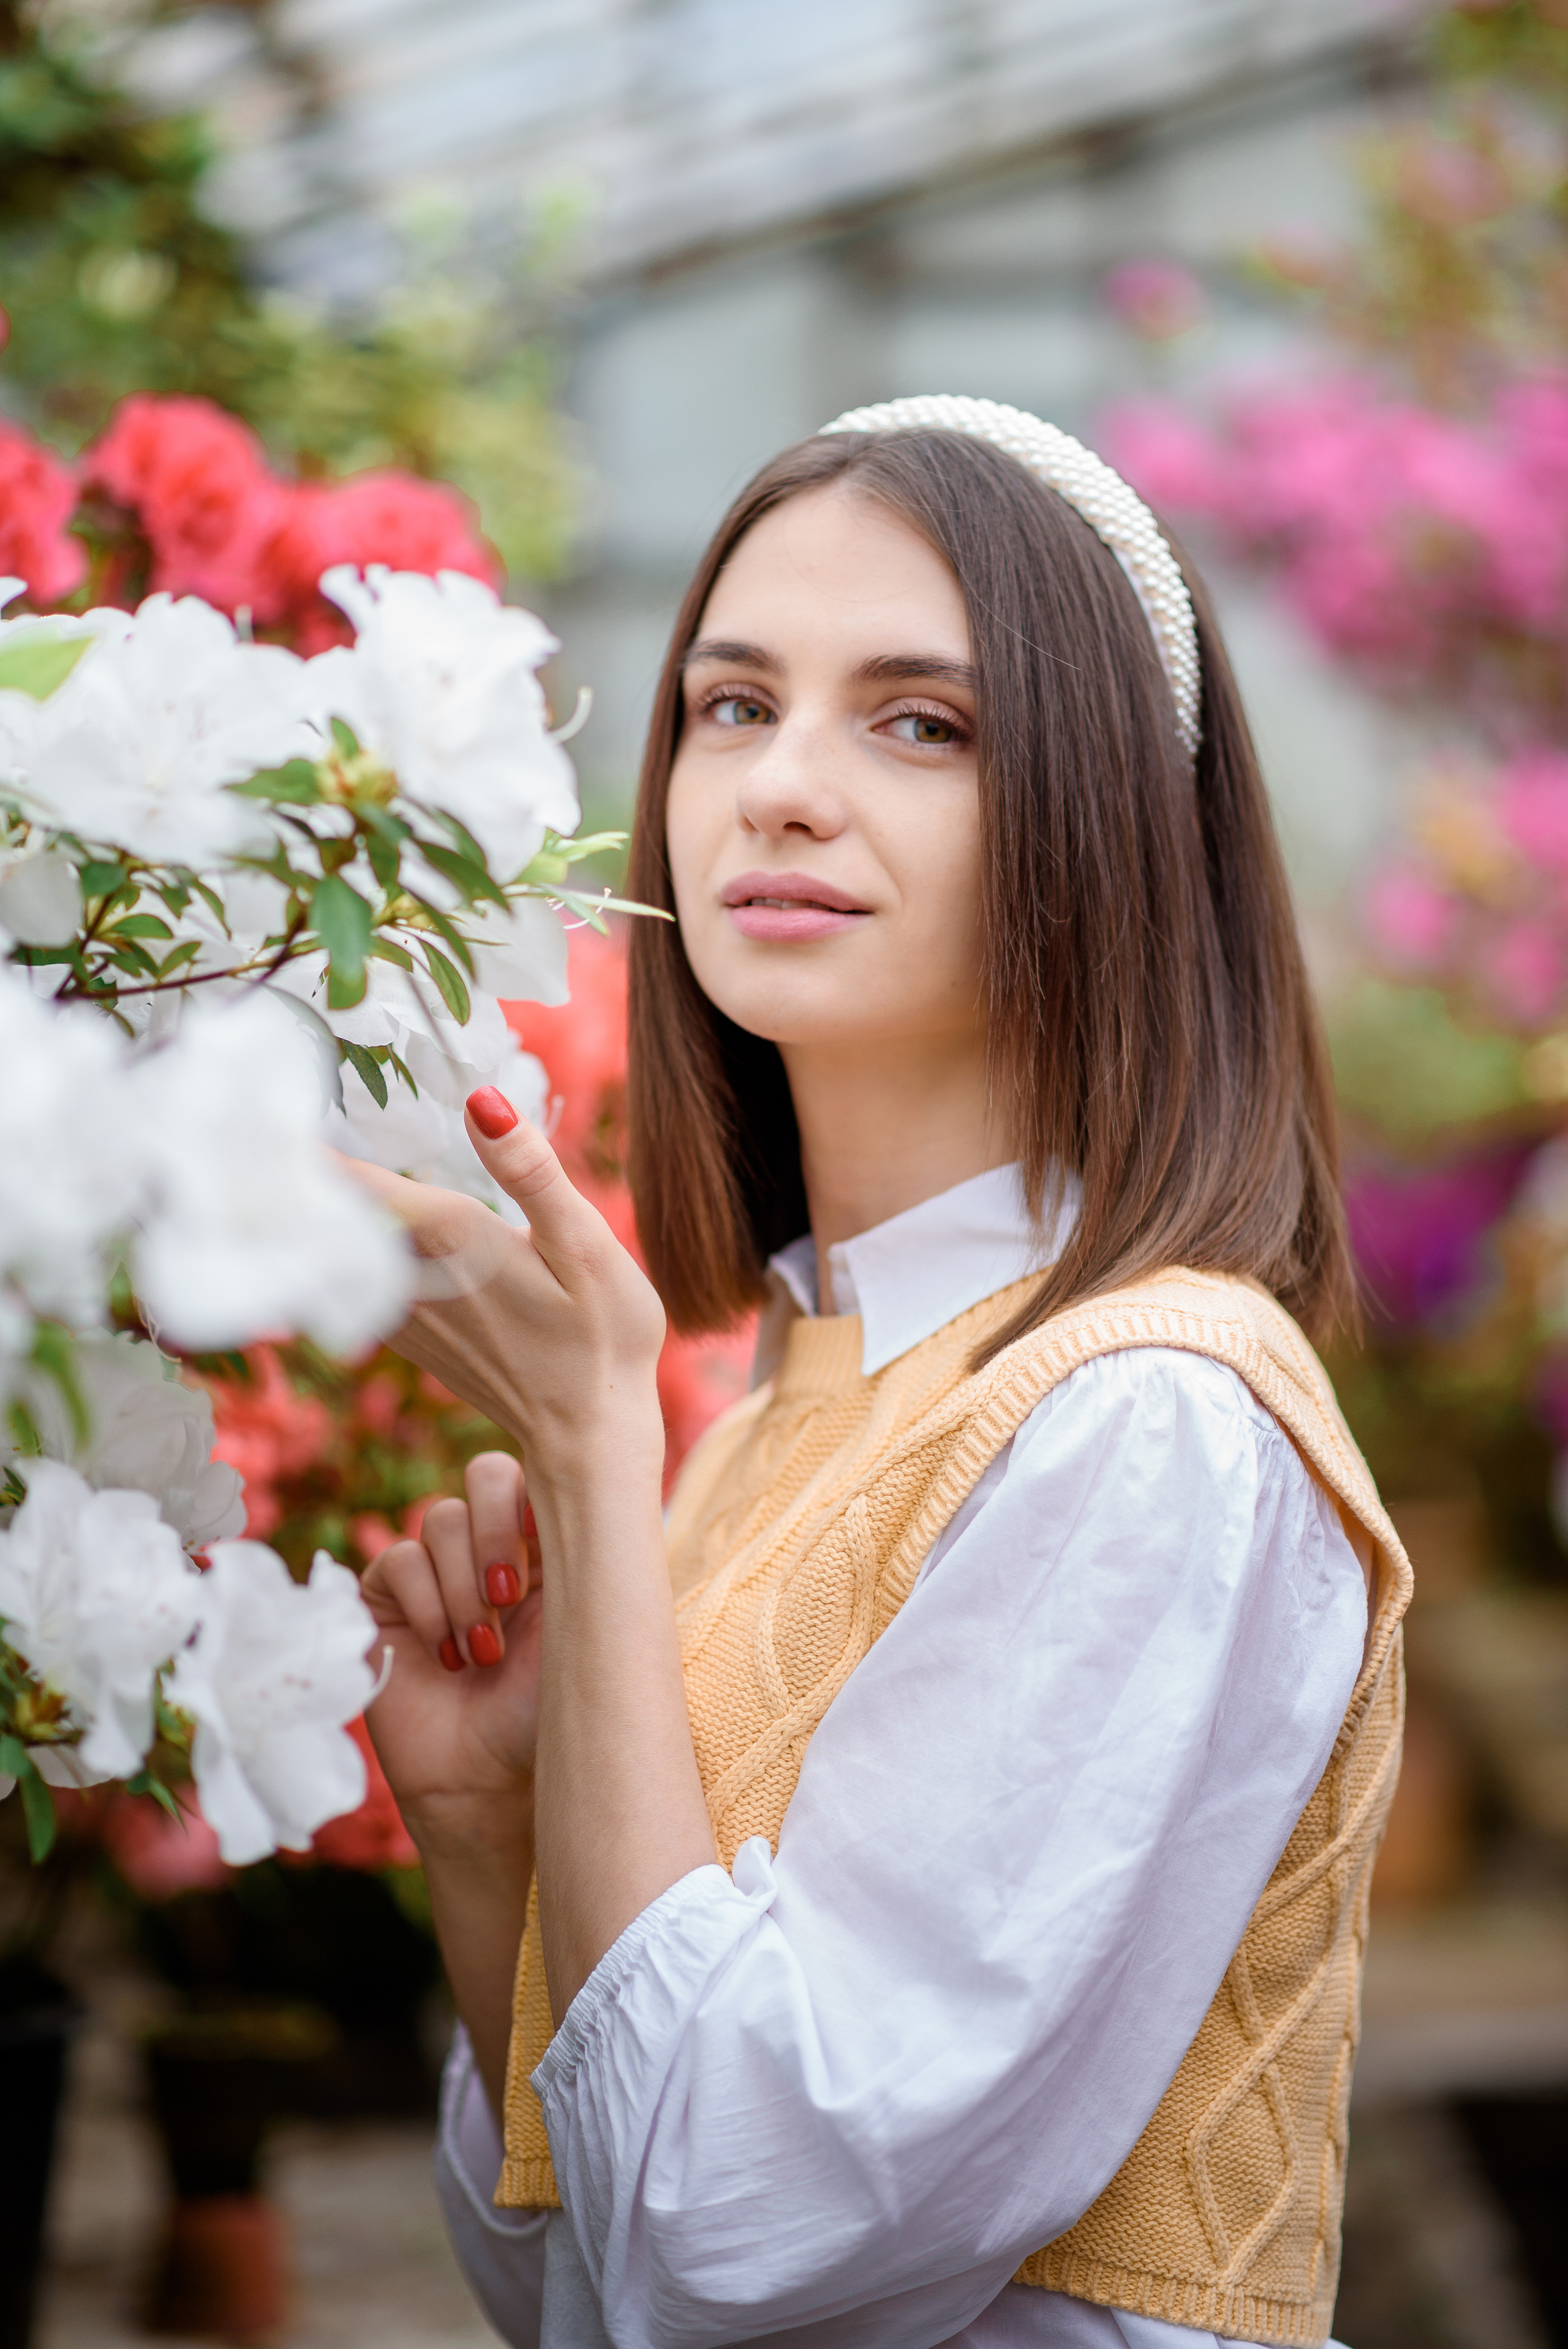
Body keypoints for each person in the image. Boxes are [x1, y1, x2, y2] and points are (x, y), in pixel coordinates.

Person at [354, 396, 1411, 2349]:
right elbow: (573, 2283)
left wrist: (586, 1446)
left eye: (918, 722)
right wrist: (492, 1831)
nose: (778, 788)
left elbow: (742, 2240)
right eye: (733, 705)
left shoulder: (1149, 1415)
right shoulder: (770, 1426)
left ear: (1107, 820)